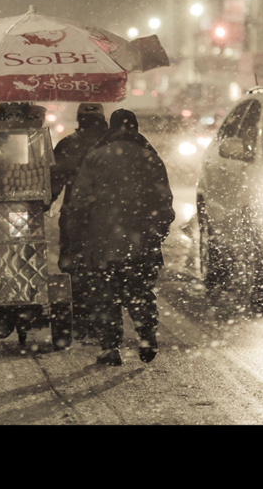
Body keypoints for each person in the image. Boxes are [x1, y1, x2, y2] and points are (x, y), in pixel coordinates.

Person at [60, 109, 175, 366]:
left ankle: (110, 347)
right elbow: (164, 203)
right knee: (140, 292)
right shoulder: (150, 158)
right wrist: (155, 236)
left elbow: (78, 204)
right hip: (140, 244)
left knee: (104, 295)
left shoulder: (95, 157)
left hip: (102, 245)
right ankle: (146, 337)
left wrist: (76, 239)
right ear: (134, 127)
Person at [50, 103, 108, 338]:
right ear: (102, 119)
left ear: (79, 119)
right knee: (103, 265)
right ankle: (102, 318)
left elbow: (55, 178)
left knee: (73, 265)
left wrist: (48, 200)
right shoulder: (111, 145)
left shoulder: (68, 144)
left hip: (75, 215)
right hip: (107, 217)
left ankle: (82, 317)